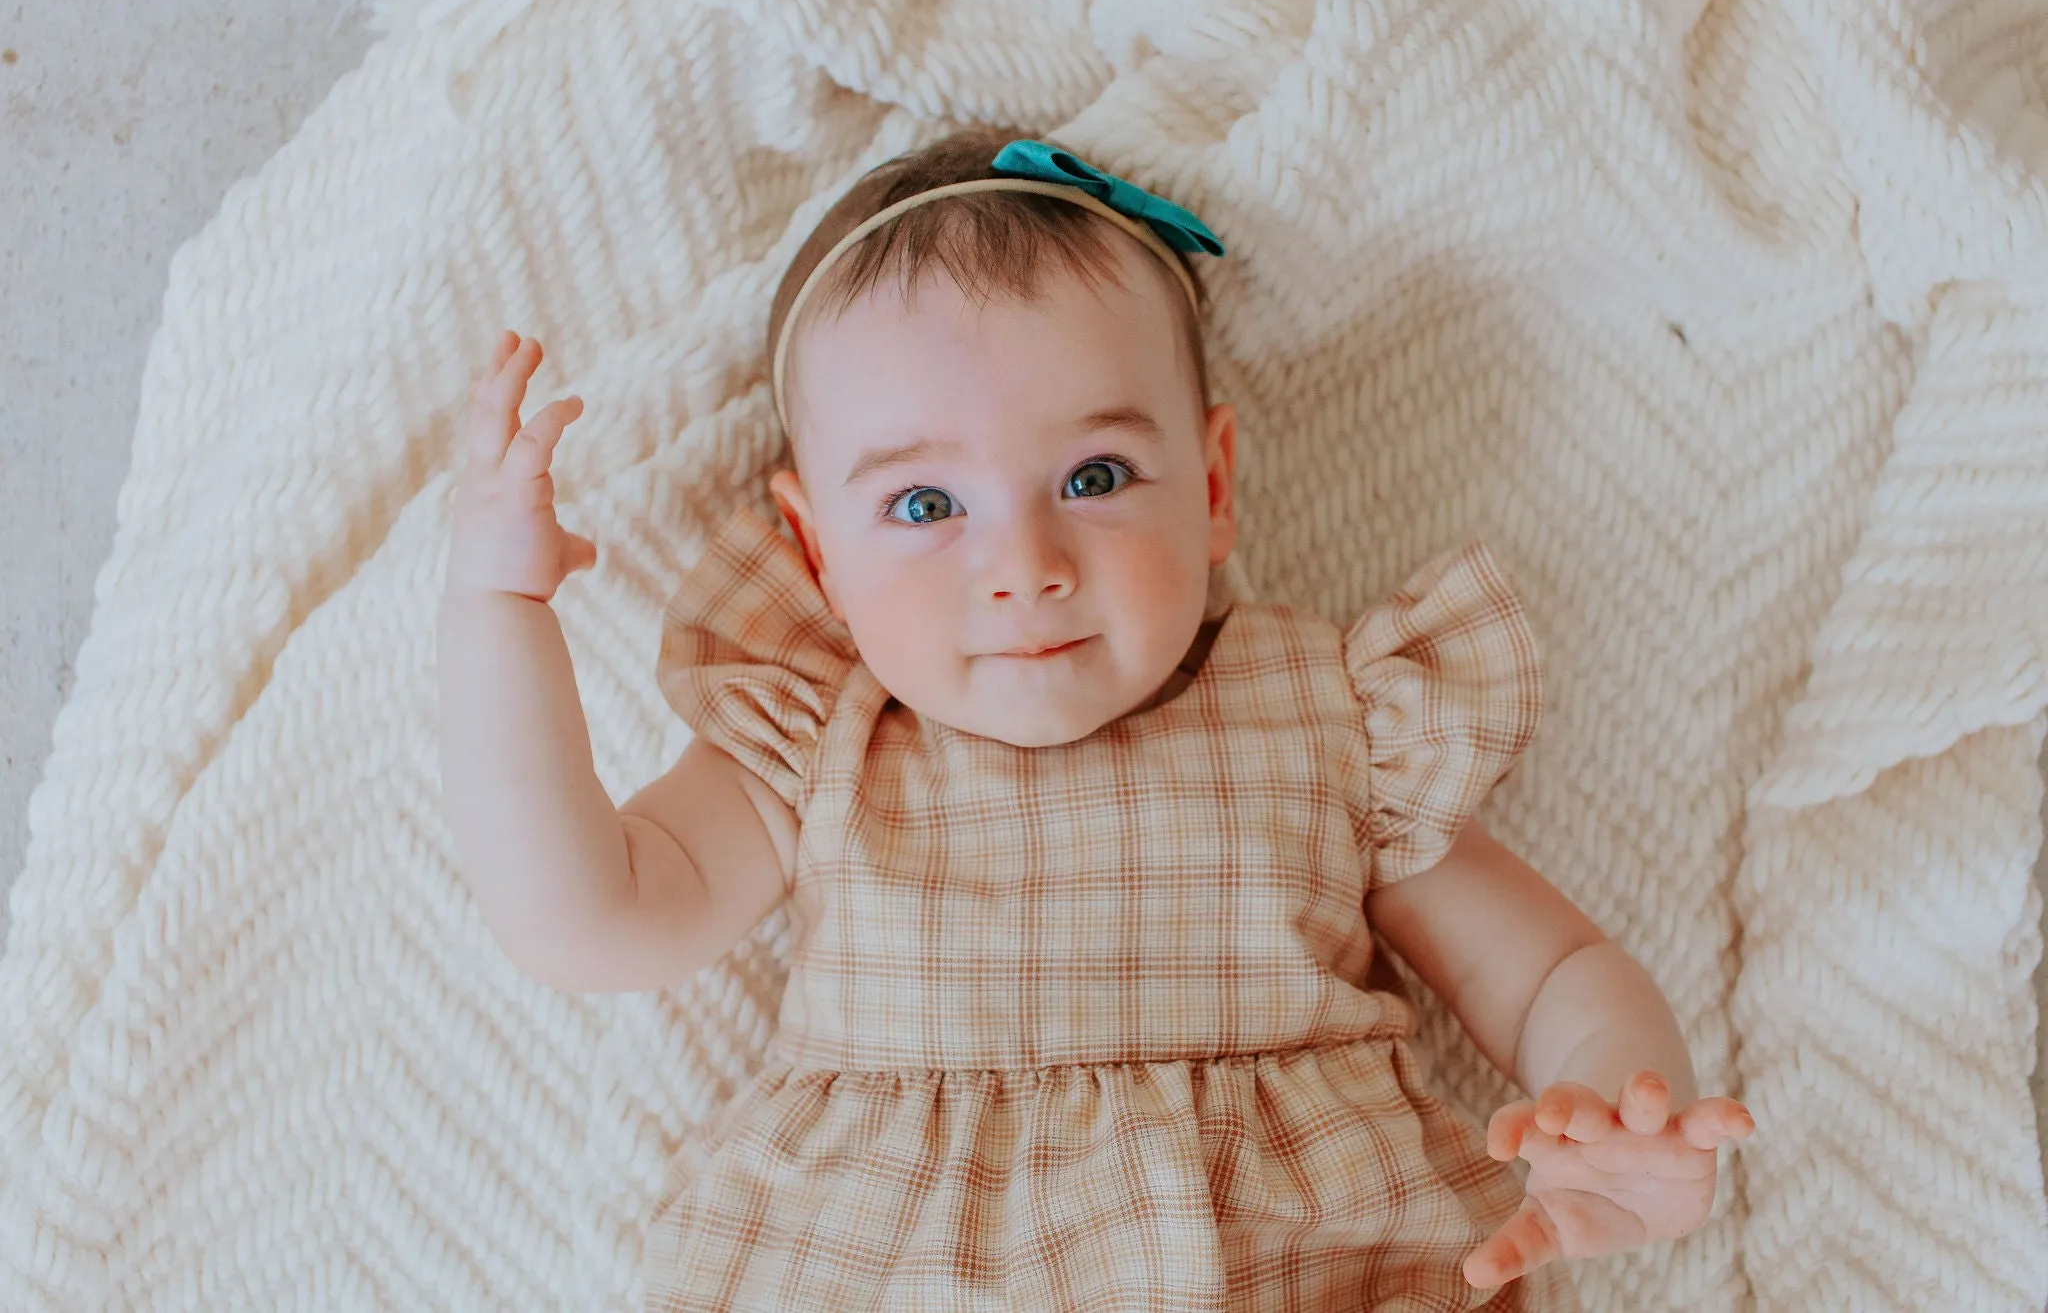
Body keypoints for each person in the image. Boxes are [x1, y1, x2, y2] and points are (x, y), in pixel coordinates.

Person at [437, 126, 1754, 1311]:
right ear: (815, 551)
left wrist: (1620, 1108)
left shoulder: (1338, 721)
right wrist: (501, 613)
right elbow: (585, 918)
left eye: (1096, 474)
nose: (1024, 561)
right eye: (923, 506)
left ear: (1216, 484)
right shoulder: (821, 744)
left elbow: (1552, 976)